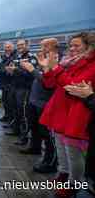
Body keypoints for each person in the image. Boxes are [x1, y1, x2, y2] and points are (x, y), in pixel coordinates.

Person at [40, 32, 95, 197]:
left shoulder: (91, 65)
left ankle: (74, 183)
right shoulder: (68, 63)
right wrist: (47, 68)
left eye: (76, 45)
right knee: (61, 148)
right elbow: (49, 84)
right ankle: (63, 174)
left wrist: (56, 68)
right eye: (71, 45)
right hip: (61, 111)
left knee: (73, 152)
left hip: (76, 113)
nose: (72, 49)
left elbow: (73, 88)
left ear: (89, 46)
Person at [19, 38, 59, 173]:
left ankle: (50, 162)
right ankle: (35, 147)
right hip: (35, 99)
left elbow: (49, 82)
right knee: (35, 127)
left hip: (45, 102)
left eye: (44, 46)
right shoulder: (42, 59)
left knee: (47, 135)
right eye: (41, 45)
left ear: (53, 46)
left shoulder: (55, 61)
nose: (41, 48)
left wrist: (32, 70)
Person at [5, 39, 37, 146]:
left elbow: (31, 74)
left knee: (24, 113)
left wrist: (15, 70)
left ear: (27, 45)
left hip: (25, 89)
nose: (19, 47)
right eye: (18, 45)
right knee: (16, 110)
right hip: (16, 87)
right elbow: (16, 72)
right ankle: (16, 131)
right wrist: (11, 71)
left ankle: (24, 137)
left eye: (22, 45)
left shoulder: (31, 57)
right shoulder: (18, 57)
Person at [0, 42, 16, 122]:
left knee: (11, 103)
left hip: (11, 84)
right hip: (4, 83)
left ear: (12, 48)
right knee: (5, 102)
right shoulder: (4, 57)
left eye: (9, 47)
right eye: (6, 47)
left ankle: (11, 120)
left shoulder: (15, 57)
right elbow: (0, 67)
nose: (7, 49)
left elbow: (9, 70)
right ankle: (6, 116)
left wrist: (1, 70)